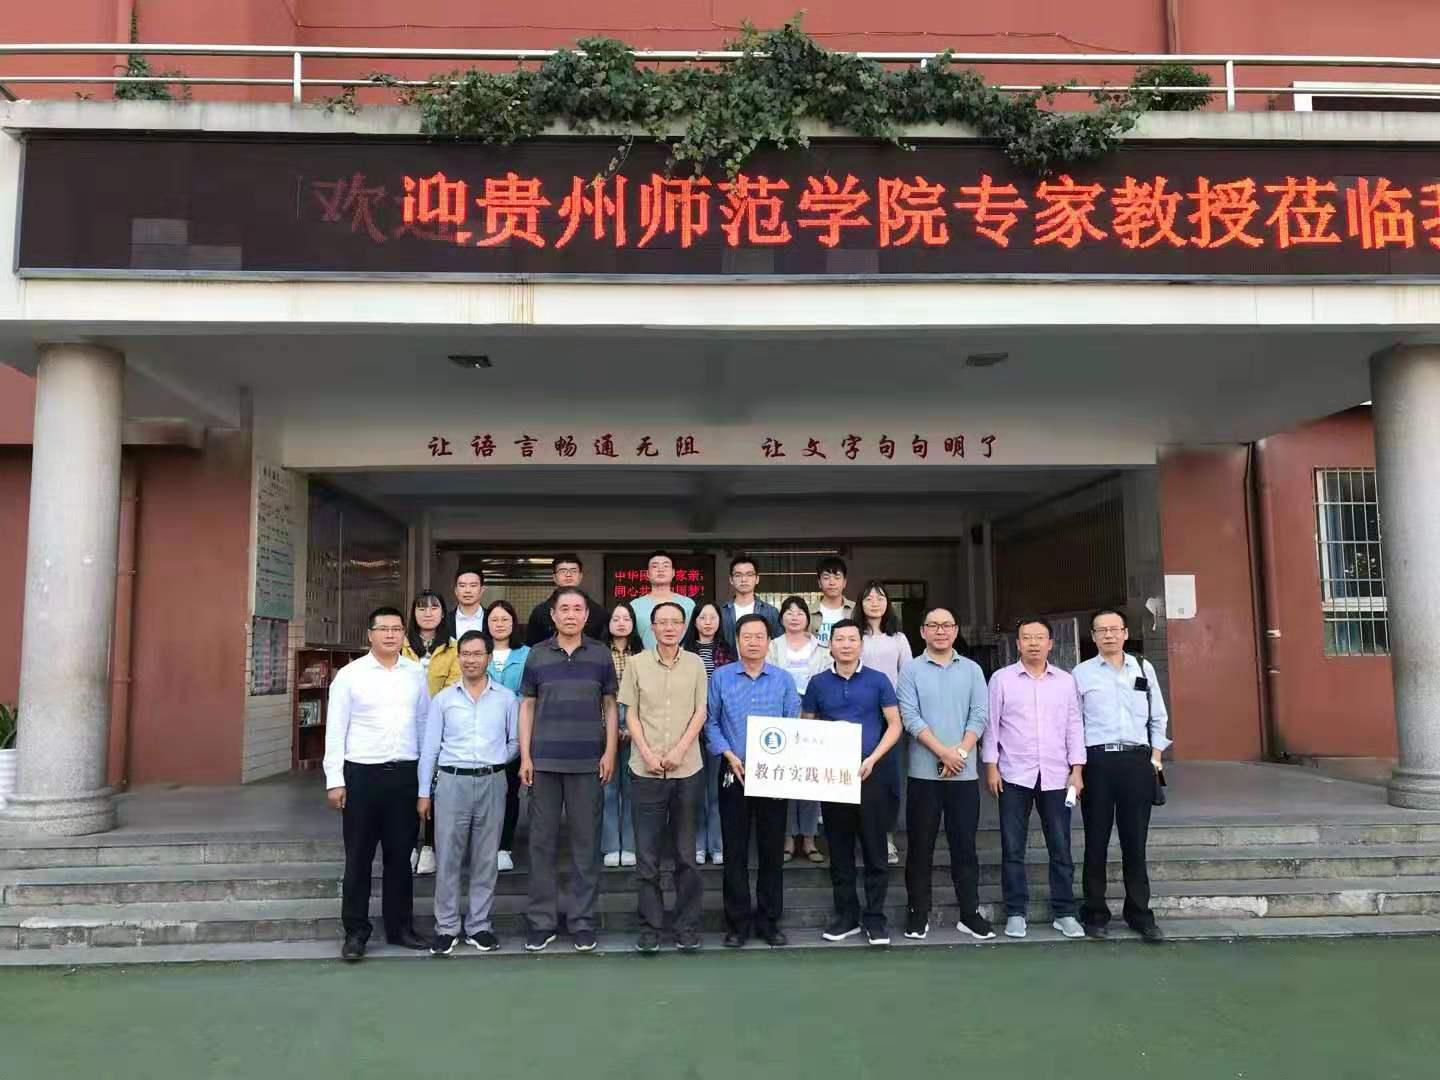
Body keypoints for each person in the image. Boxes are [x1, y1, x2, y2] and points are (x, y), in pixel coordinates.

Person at [323, 606, 431, 961]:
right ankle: (356, 932)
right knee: (359, 857)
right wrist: (335, 780)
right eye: (383, 629)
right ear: (369, 634)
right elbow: (335, 730)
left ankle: (400, 928)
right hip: (362, 776)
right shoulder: (350, 676)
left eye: (396, 629)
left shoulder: (415, 674)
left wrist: (424, 784)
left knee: (400, 857)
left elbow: (424, 725)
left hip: (404, 775)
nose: (390, 635)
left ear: (404, 635)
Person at [519, 587, 619, 953]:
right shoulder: (537, 653)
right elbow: (527, 706)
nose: (572, 614)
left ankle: (582, 921)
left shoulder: (601, 653)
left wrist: (609, 751)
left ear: (587, 615)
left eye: (578, 608)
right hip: (544, 762)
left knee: (585, 845)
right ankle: (541, 921)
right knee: (541, 844)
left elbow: (610, 705)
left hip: (587, 763)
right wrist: (526, 756)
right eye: (565, 608)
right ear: (553, 614)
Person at [981, 616, 1087, 941]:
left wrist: (1077, 769)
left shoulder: (1065, 681)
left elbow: (1074, 726)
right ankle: (1016, 912)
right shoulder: (1001, 679)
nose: (1033, 643)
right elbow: (991, 725)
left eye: (1039, 637)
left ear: (1050, 643)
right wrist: (990, 766)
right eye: (1026, 637)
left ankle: (1064, 912)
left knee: (1061, 846)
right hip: (1014, 773)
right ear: (1018, 644)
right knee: (1013, 847)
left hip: (1057, 775)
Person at [802, 620, 903, 946]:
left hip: (871, 772)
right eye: (840, 639)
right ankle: (847, 916)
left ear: (861, 645)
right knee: (840, 849)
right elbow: (807, 726)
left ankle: (875, 918)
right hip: (834, 777)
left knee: (875, 849)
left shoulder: (878, 680)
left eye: (852, 639)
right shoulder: (817, 683)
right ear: (830, 645)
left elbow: (894, 724)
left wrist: (873, 758)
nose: (846, 645)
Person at [417, 630, 519, 955]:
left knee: (486, 858)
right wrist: (424, 792)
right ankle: (446, 927)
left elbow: (515, 741)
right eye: (465, 654)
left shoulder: (506, 698)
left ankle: (479, 926)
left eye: (477, 654)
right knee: (448, 857)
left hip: (492, 781)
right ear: (458, 657)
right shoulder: (444, 699)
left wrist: (494, 760)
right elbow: (430, 749)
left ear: (488, 657)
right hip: (452, 782)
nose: (471, 660)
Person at [1073, 608, 1171, 944]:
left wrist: (1155, 759)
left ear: (1126, 633)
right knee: (1095, 841)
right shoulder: (1081, 673)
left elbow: (1159, 717)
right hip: (1097, 762)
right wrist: (1077, 769)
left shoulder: (1143, 668)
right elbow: (1073, 724)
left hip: (1137, 762)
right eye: (1102, 630)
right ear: (1093, 636)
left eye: (1115, 629)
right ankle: (1094, 913)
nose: (1109, 635)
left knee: (1135, 842)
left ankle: (1140, 914)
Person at [896, 607, 994, 941]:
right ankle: (917, 912)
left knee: (964, 846)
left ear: (955, 630)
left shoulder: (972, 670)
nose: (941, 631)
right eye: (934, 626)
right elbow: (910, 717)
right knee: (919, 848)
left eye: (947, 625)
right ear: (922, 631)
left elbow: (979, 715)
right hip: (924, 775)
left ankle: (969, 913)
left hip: (963, 776)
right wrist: (943, 752)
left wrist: (960, 753)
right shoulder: (911, 670)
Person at [705, 614, 800, 948]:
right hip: (734, 772)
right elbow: (711, 722)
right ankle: (738, 923)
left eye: (760, 636)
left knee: (772, 851)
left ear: (768, 641)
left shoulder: (784, 680)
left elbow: (793, 722)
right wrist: (728, 754)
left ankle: (769, 921)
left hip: (773, 775)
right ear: (737, 640)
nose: (754, 642)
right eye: (747, 636)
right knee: (735, 851)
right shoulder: (721, 677)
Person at [620, 601, 710, 953]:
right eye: (662, 622)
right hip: (645, 770)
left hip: (687, 770)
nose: (669, 628)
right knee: (647, 857)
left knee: (686, 855)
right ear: (652, 627)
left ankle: (686, 926)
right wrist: (646, 752)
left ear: (684, 628)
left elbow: (701, 712)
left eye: (675, 622)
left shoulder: (696, 664)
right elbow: (631, 714)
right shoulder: (636, 663)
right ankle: (650, 927)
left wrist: (679, 751)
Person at [401, 590, 462, 878]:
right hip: (404, 727)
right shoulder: (401, 644)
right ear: (413, 613)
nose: (428, 613)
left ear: (442, 612)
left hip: (439, 728)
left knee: (436, 789)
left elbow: (453, 687)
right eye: (421, 608)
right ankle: (409, 843)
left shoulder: (453, 647)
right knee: (408, 787)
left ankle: (430, 846)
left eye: (434, 607)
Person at [766, 596, 829, 863]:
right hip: (782, 718)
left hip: (814, 719)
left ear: (808, 617)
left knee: (810, 780)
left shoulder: (822, 648)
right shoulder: (771, 646)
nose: (794, 616)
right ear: (781, 618)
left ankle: (809, 838)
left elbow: (826, 680)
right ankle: (788, 837)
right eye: (789, 612)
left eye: (800, 612)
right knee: (786, 780)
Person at [858, 580, 913, 866]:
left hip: (891, 717)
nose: (875, 603)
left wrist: (904, 714)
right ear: (860, 604)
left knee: (889, 779)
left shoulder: (898, 638)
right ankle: (861, 837)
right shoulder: (854, 635)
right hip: (859, 715)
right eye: (869, 598)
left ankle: (887, 837)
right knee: (860, 777)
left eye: (880, 598)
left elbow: (907, 676)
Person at [681, 602, 733, 866]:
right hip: (688, 729)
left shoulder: (727, 651)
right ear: (695, 621)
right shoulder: (684, 651)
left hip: (718, 728)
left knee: (715, 791)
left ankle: (717, 844)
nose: (708, 622)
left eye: (713, 617)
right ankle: (698, 844)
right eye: (703, 617)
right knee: (694, 791)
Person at [485, 600, 530, 874]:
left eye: (505, 619)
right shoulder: (479, 652)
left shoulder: (527, 654)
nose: (499, 624)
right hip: (483, 733)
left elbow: (530, 694)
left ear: (514, 623)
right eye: (494, 619)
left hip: (515, 732)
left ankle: (504, 846)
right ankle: (485, 845)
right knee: (484, 792)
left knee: (509, 791)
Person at [602, 601, 642, 867]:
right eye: (616, 618)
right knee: (607, 787)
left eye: (626, 618)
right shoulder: (598, 652)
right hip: (604, 717)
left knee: (632, 789)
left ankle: (629, 845)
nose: (621, 623)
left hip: (636, 719)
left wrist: (631, 726)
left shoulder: (642, 654)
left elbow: (647, 694)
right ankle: (610, 846)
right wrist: (608, 726)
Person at [524, 553, 607, 645]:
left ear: (580, 576)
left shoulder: (597, 611)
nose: (568, 575)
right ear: (554, 577)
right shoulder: (540, 612)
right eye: (563, 571)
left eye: (573, 571)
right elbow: (531, 646)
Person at [630, 550, 697, 650]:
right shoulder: (635, 605)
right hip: (645, 658)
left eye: (666, 566)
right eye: (655, 566)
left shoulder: (688, 604)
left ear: (673, 573)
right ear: (647, 574)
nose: (660, 569)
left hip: (681, 658)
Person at [719, 554, 781, 650]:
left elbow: (778, 645)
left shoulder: (771, 612)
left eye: (749, 575)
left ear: (757, 579)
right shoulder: (721, 612)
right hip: (730, 660)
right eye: (738, 575)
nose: (744, 579)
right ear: (731, 580)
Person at [809, 556, 855, 647]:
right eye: (826, 578)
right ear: (819, 583)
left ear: (844, 582)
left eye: (837, 577)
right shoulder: (808, 612)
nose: (832, 583)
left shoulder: (856, 609)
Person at [452, 567, 487, 641]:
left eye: (473, 585)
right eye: (462, 586)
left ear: (482, 590)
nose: (467, 590)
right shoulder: (444, 621)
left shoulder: (492, 618)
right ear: (456, 591)